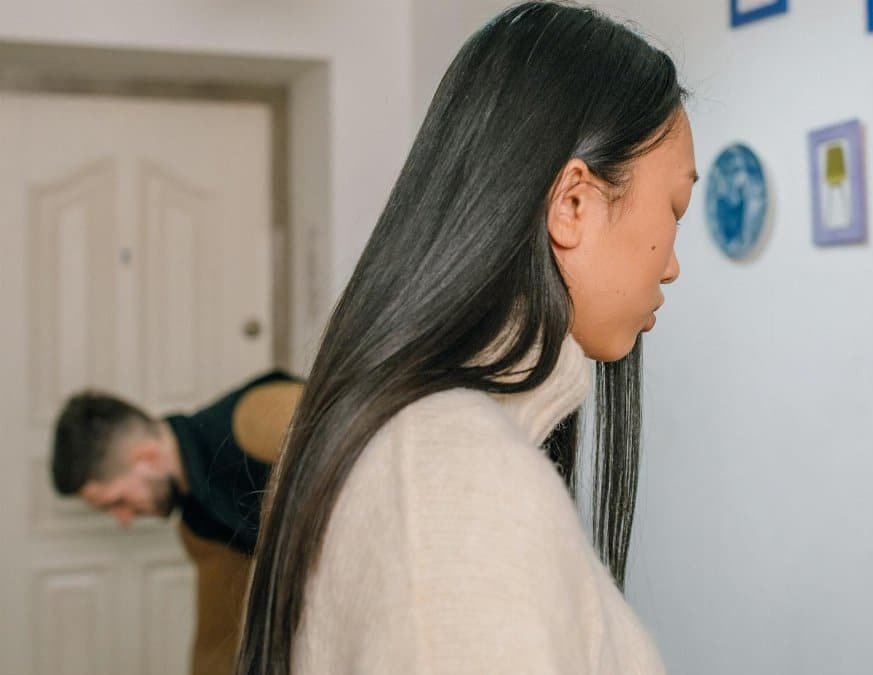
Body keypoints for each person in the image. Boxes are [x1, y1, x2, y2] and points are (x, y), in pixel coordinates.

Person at [237, 3, 697, 673]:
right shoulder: (453, 477)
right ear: (574, 204)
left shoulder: (426, 443)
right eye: (674, 209)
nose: (673, 263)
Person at [51, 370, 303, 675]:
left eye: (117, 502)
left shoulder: (251, 419)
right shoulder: (200, 528)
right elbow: (216, 646)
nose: (125, 519)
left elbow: (365, 436)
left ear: (146, 457)